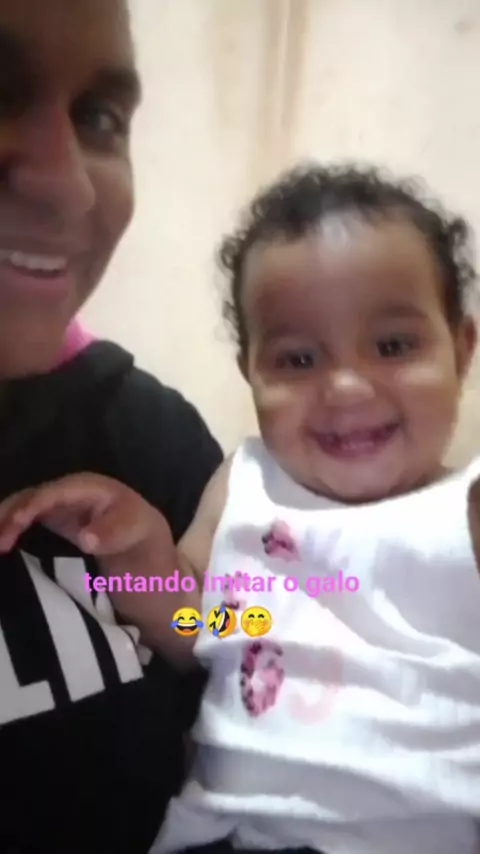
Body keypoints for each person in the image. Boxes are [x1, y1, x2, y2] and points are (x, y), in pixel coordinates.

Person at [3, 162, 480, 854]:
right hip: (230, 835)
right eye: (298, 359)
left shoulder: (463, 512)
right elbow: (198, 627)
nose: (346, 387)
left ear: (461, 350)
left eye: (393, 346)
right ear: (250, 369)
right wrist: (137, 552)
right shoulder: (246, 486)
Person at [0, 1, 222, 853]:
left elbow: (245, 642)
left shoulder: (149, 434)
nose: (70, 184)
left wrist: (163, 586)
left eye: (98, 117)